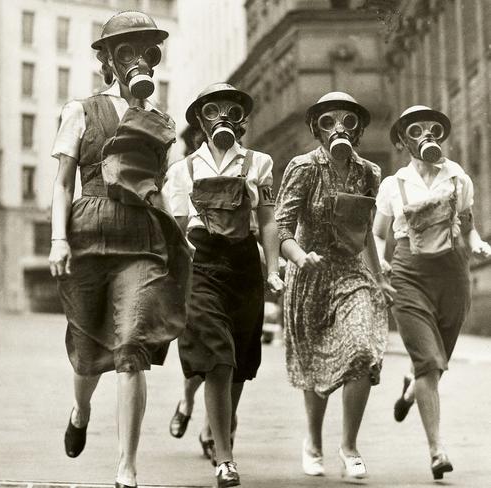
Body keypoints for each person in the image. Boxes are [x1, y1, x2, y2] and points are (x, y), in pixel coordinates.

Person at [48, 11, 189, 488]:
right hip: (87, 234)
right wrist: (57, 239)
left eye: (145, 50)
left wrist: (184, 229)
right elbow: (62, 182)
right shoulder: (80, 111)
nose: (135, 61)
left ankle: (127, 466)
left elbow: (172, 186)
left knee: (131, 346)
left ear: (154, 59)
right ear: (108, 61)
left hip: (141, 242)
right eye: (122, 51)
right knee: (88, 353)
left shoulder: (162, 121)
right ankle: (81, 409)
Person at [165, 83, 285, 488]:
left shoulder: (260, 163)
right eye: (213, 110)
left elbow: (268, 220)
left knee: (239, 364)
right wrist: (177, 278)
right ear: (200, 120)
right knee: (218, 355)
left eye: (232, 110)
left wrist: (272, 268)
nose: (223, 118)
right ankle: (225, 459)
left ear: (243, 120)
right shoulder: (182, 171)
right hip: (202, 264)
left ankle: (219, 429)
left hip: (244, 265)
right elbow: (178, 230)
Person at [274, 92, 394, 480]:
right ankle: (312, 441)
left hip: (349, 272)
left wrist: (378, 279)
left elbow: (364, 235)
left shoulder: (369, 173)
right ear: (316, 129)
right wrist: (298, 257)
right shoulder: (303, 168)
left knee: (361, 348)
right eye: (328, 121)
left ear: (358, 128)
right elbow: (282, 229)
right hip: (308, 275)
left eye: (347, 120)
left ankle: (349, 446)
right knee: (317, 361)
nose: (338, 128)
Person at [372, 105, 491, 480]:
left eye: (434, 128)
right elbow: (377, 234)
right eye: (417, 129)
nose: (427, 135)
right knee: (428, 361)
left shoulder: (458, 179)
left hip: (453, 274)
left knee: (435, 364)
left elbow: (469, 226)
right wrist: (381, 263)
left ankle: (410, 392)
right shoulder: (394, 184)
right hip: (409, 275)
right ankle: (437, 450)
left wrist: (478, 244)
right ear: (403, 140)